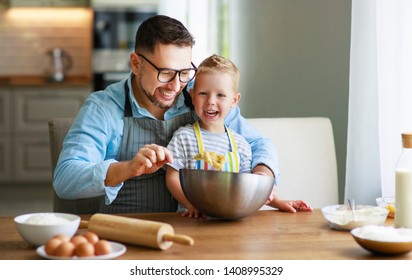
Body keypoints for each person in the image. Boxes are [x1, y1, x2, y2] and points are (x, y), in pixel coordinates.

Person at [53, 15, 279, 214]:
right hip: (128, 230)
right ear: (135, 63)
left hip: (194, 229)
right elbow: (65, 178)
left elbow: (259, 143)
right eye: (166, 73)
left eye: (183, 73)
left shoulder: (199, 97)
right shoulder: (105, 107)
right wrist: (127, 168)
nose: (175, 85)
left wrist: (262, 175)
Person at [165, 54, 312, 218]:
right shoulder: (183, 137)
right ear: (192, 96)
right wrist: (190, 205)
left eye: (220, 95)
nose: (211, 101)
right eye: (203, 93)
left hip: (231, 221)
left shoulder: (241, 145)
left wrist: (278, 202)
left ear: (234, 101)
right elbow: (172, 177)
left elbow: (248, 187)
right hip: (194, 220)